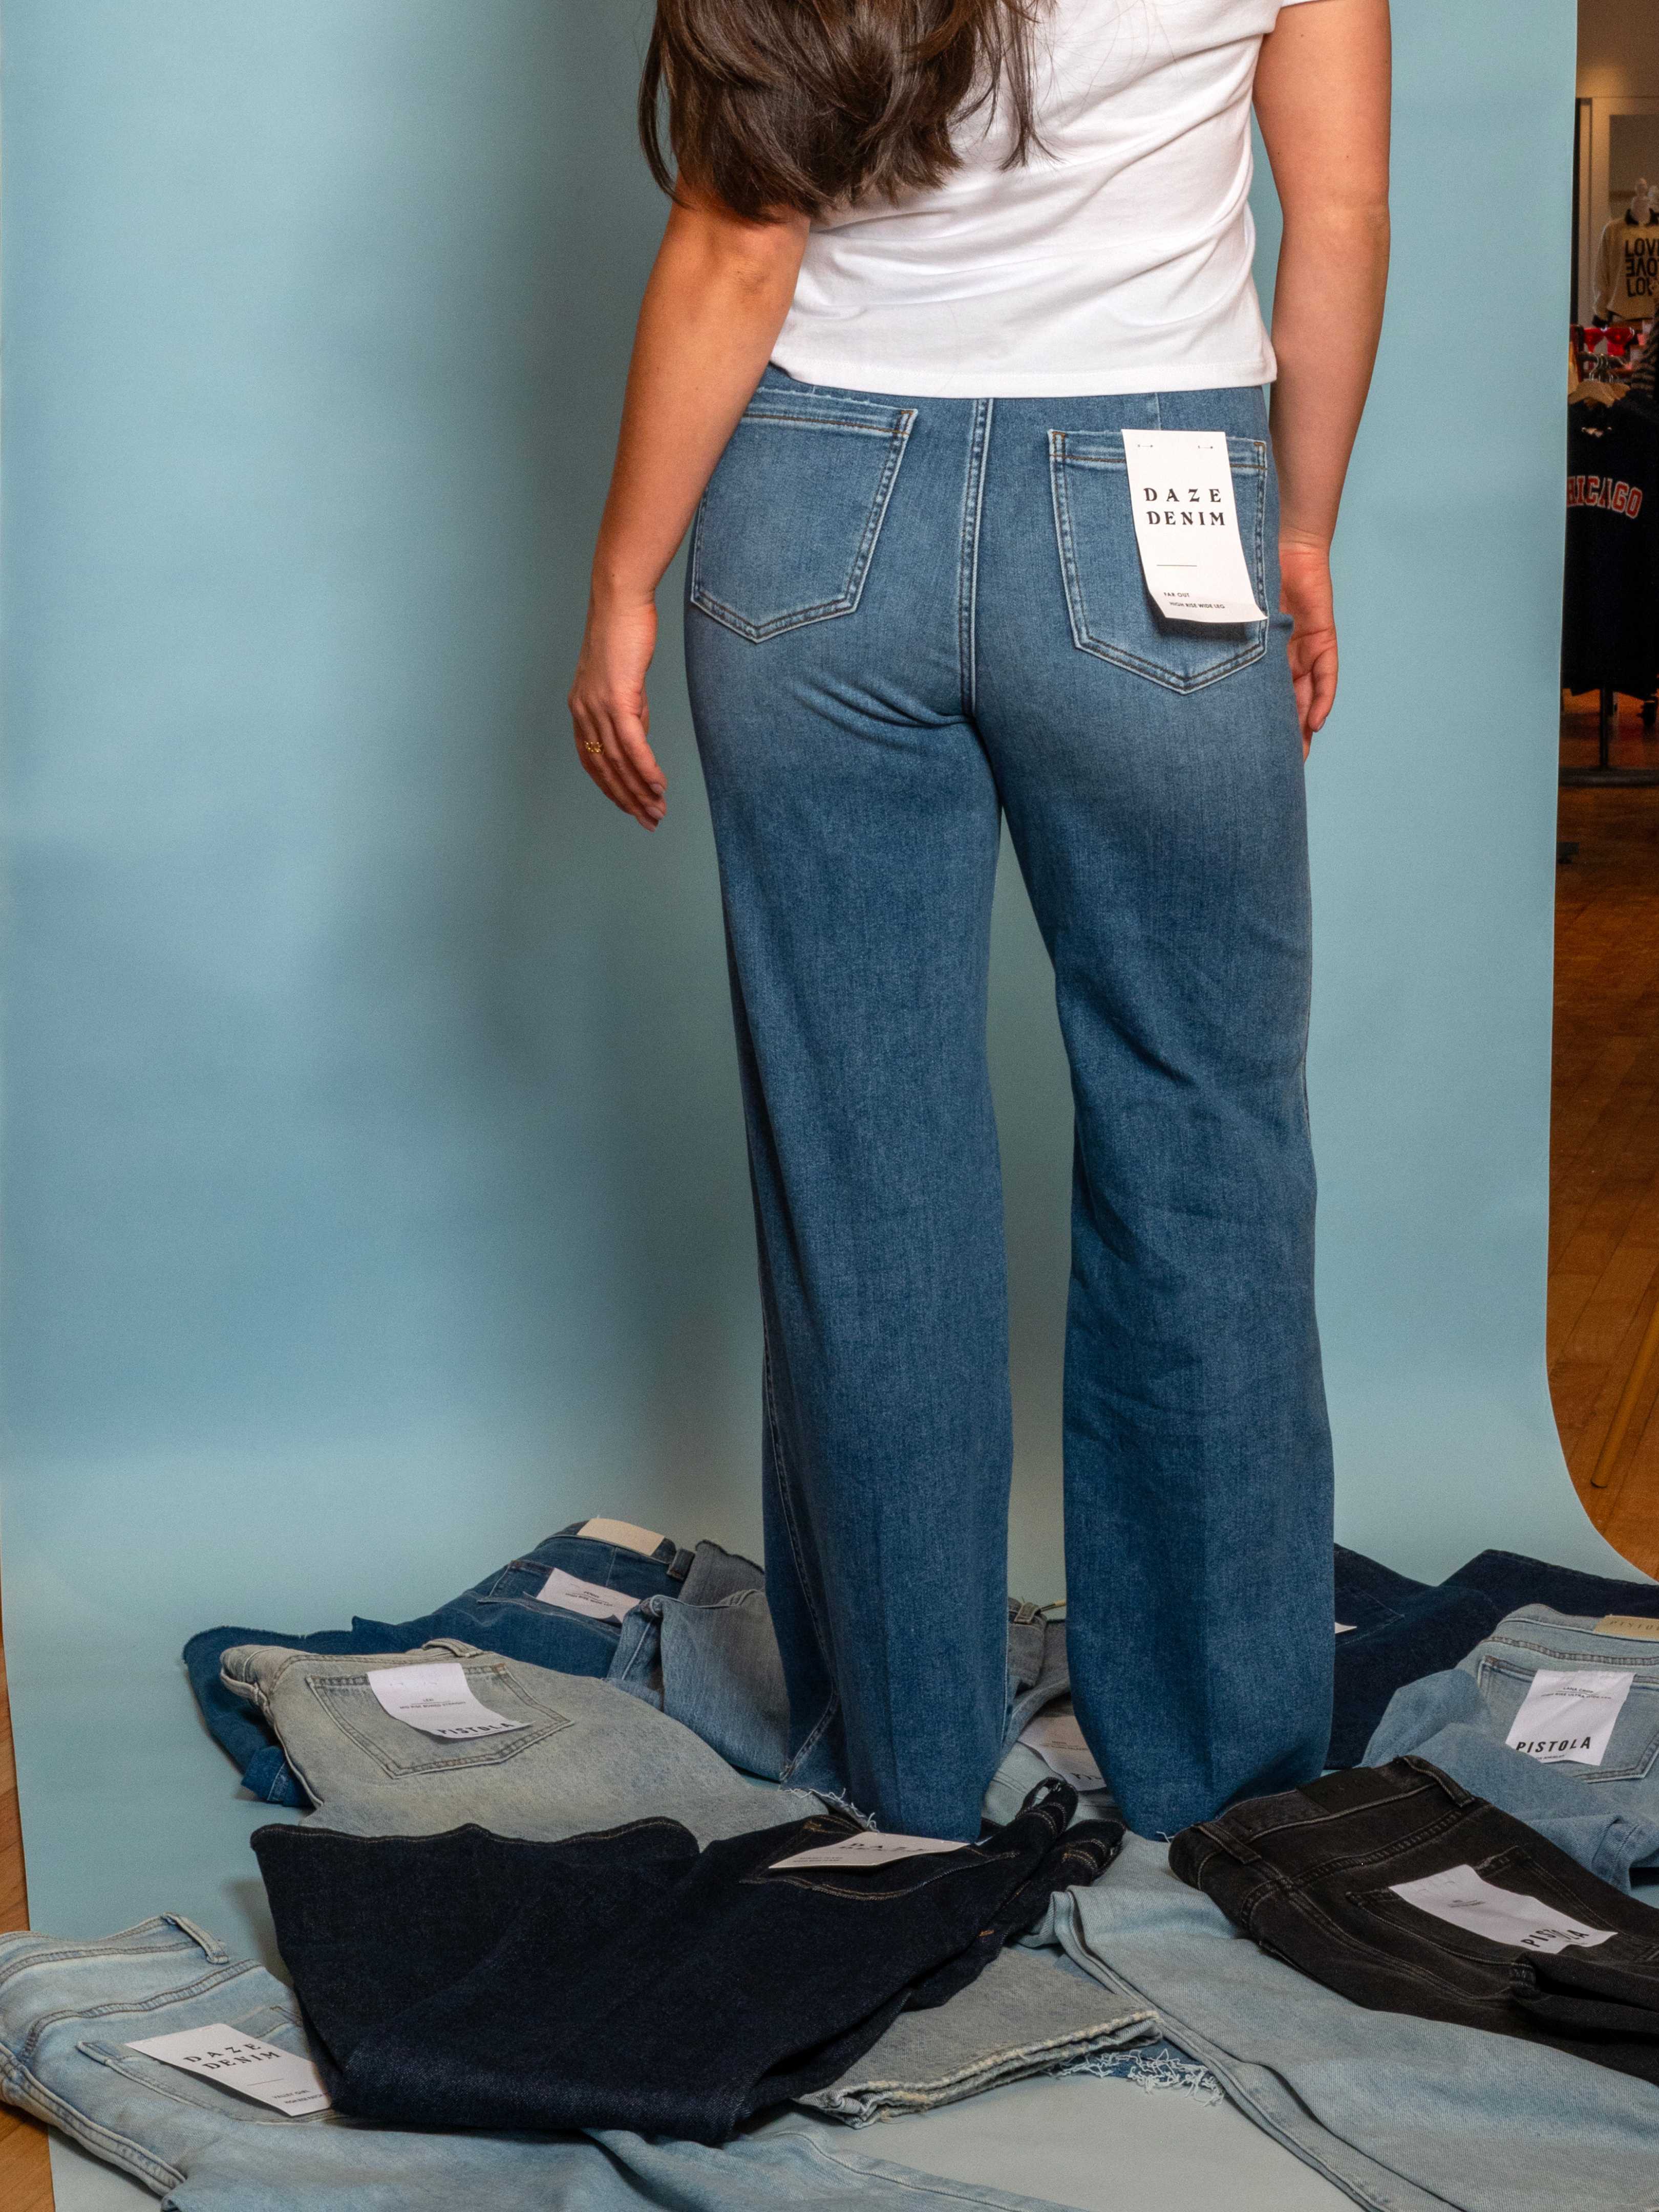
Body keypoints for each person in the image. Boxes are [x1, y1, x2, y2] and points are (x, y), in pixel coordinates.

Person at [568, 0, 1391, 1842]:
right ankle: (1222, 1775)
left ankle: (912, 1768)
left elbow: (737, 239)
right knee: (1205, 1136)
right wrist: (1303, 527)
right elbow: (1337, 216)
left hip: (806, 508)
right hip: (1159, 506)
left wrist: (624, 579)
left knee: (863, 1160)